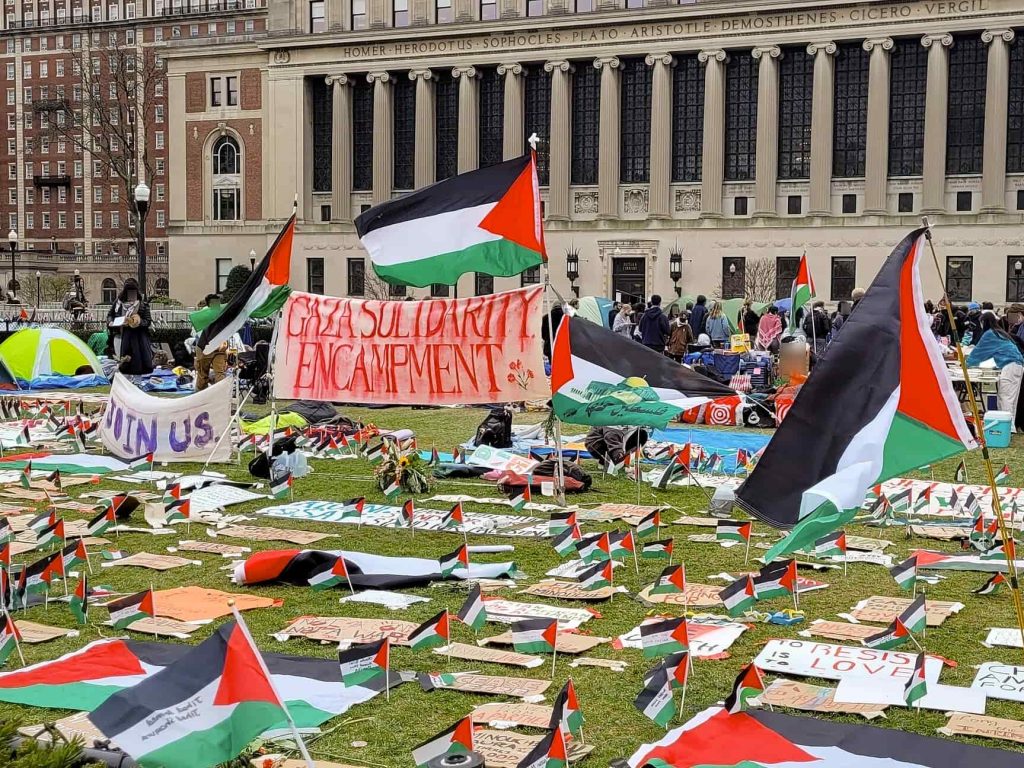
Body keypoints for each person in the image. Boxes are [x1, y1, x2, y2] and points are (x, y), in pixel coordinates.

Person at [967, 313, 1024, 430]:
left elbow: (978, 352)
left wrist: (966, 363)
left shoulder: (990, 334)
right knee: (1012, 399)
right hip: (1016, 365)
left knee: (1005, 398)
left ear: (984, 322)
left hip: (1010, 366)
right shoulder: (1000, 332)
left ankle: (1008, 428)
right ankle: (1010, 426)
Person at [106, 278, 153, 375]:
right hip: (122, 335)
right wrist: (112, 323)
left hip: (139, 338)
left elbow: (148, 321)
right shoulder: (118, 303)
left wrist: (138, 322)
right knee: (124, 361)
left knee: (138, 361)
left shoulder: (142, 304)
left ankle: (137, 379)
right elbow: (110, 315)